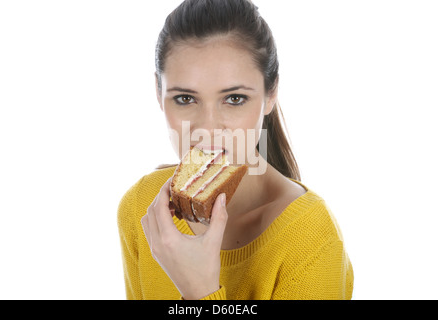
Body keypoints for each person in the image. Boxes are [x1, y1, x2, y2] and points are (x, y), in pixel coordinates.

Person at [118, 0, 353, 300]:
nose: (208, 129)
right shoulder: (141, 210)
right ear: (159, 93)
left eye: (235, 99)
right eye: (186, 99)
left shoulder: (311, 239)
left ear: (271, 95)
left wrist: (200, 291)